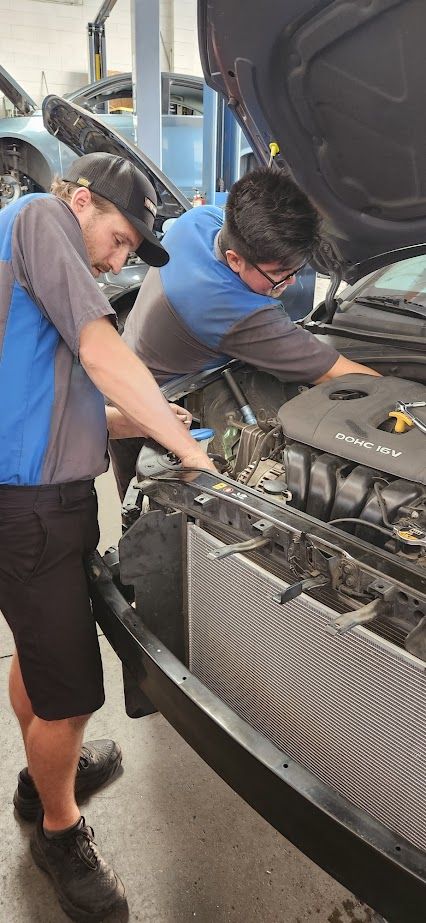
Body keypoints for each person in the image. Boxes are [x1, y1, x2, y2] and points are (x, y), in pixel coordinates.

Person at [0, 151, 215, 923]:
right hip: (30, 510)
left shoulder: (34, 253)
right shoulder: (41, 218)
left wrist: (145, 422)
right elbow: (99, 350)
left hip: (39, 504)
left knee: (40, 649)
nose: (119, 259)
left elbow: (61, 398)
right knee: (73, 693)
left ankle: (40, 778)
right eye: (121, 240)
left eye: (130, 252)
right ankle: (58, 829)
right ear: (82, 201)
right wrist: (191, 456)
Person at [109, 166, 380, 500]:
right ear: (235, 260)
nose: (291, 281)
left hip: (123, 369)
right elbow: (346, 377)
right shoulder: (228, 310)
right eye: (280, 273)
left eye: (296, 270)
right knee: (153, 513)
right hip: (147, 415)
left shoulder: (201, 222)